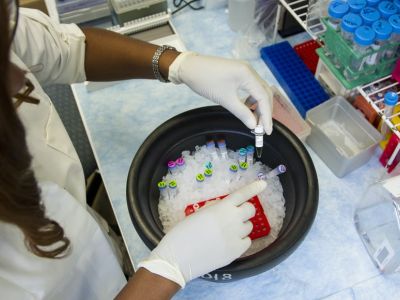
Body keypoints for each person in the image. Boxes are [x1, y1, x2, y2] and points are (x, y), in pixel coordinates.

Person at [0, 1, 273, 299]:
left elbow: (67, 49)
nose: (20, 77)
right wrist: (166, 272)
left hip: (88, 240)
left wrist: (178, 64)